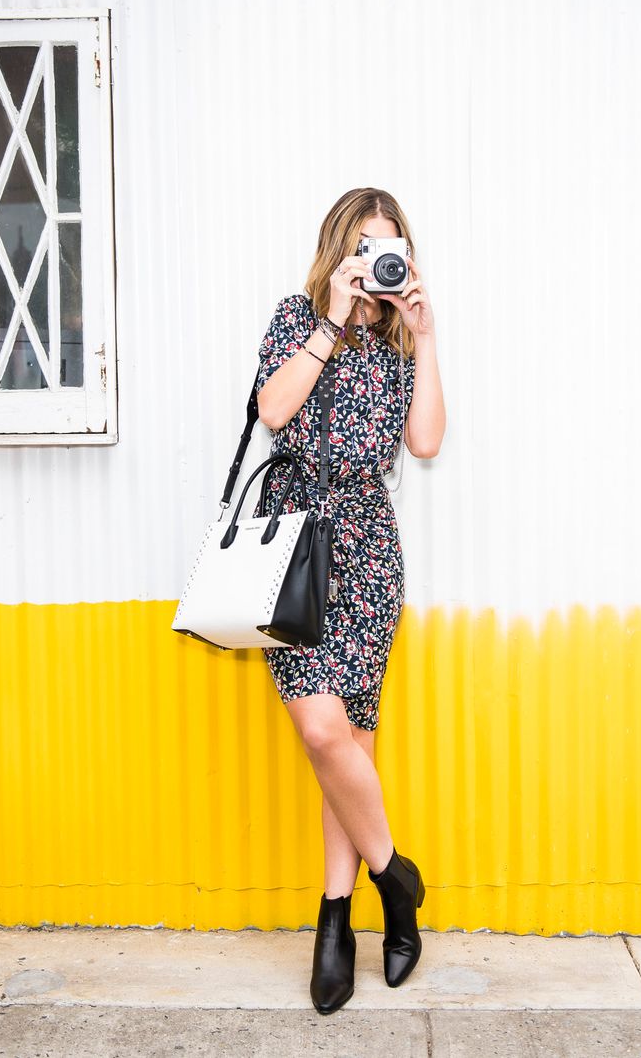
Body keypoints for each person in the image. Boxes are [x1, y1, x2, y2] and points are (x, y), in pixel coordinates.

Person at [255, 187, 446, 1014]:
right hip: (292, 545)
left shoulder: (400, 343)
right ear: (341, 250)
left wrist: (428, 335)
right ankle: (395, 879)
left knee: (349, 749)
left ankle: (336, 918)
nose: (377, 258)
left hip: (368, 547)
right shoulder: (295, 318)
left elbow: (427, 440)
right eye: (364, 245)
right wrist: (331, 321)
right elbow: (272, 410)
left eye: (391, 244)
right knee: (321, 727)